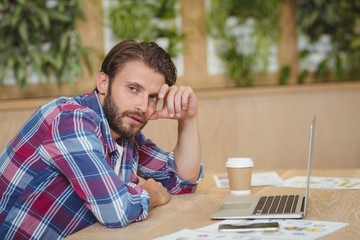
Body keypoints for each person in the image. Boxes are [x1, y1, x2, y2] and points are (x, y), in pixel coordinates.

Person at [0, 40, 203, 239]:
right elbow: (116, 210)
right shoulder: (71, 120)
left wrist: (188, 118)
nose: (142, 106)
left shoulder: (125, 134)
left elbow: (181, 180)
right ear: (103, 83)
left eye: (152, 97)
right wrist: (151, 194)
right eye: (133, 89)